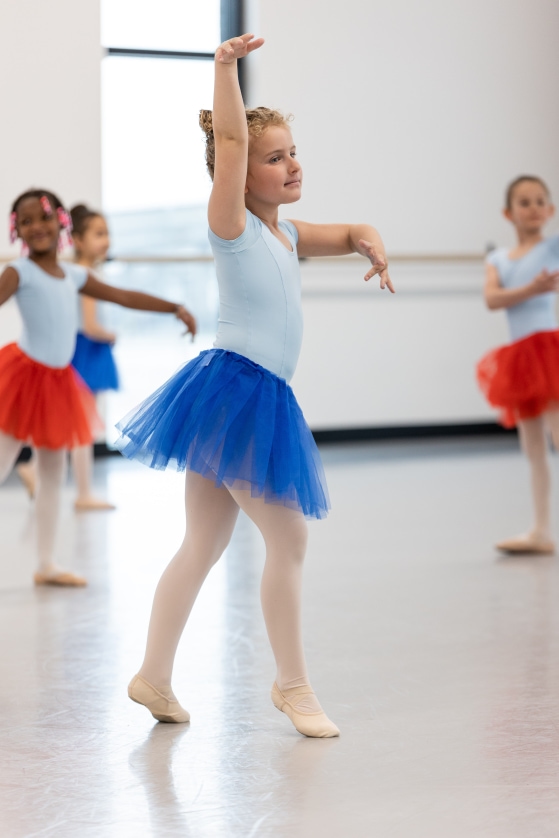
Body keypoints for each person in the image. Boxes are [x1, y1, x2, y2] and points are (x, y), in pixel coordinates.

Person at [118, 34, 394, 738]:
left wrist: (368, 236)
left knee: (201, 545)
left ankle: (153, 673)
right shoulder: (231, 224)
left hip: (248, 396)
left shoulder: (287, 235)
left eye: (292, 152)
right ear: (236, 177)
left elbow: (348, 231)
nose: (290, 164)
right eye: (273, 158)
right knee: (289, 539)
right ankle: (292, 686)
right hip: (237, 392)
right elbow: (233, 138)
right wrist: (223, 68)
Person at [0, 188, 196, 586]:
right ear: (16, 230)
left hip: (57, 383)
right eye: (26, 221)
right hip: (23, 378)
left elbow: (122, 295)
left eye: (44, 218)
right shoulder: (20, 273)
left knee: (54, 475)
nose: (37, 227)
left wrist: (172, 307)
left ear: (62, 223)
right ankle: (45, 561)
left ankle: (46, 563)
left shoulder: (73, 274)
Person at [16, 203, 120, 510]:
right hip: (86, 351)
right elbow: (90, 324)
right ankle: (83, 492)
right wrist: (111, 334)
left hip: (81, 351)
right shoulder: (83, 275)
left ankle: (36, 468)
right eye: (99, 234)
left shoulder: (77, 273)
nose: (106, 240)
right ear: (77, 240)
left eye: (107, 233)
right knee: (82, 427)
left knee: (72, 424)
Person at [477, 175, 559, 554]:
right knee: (533, 450)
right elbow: (492, 300)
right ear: (508, 213)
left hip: (549, 351)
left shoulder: (553, 247)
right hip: (521, 360)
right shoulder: (497, 259)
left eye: (540, 200)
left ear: (551, 210)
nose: (534, 208)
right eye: (524, 202)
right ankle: (541, 529)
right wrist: (532, 289)